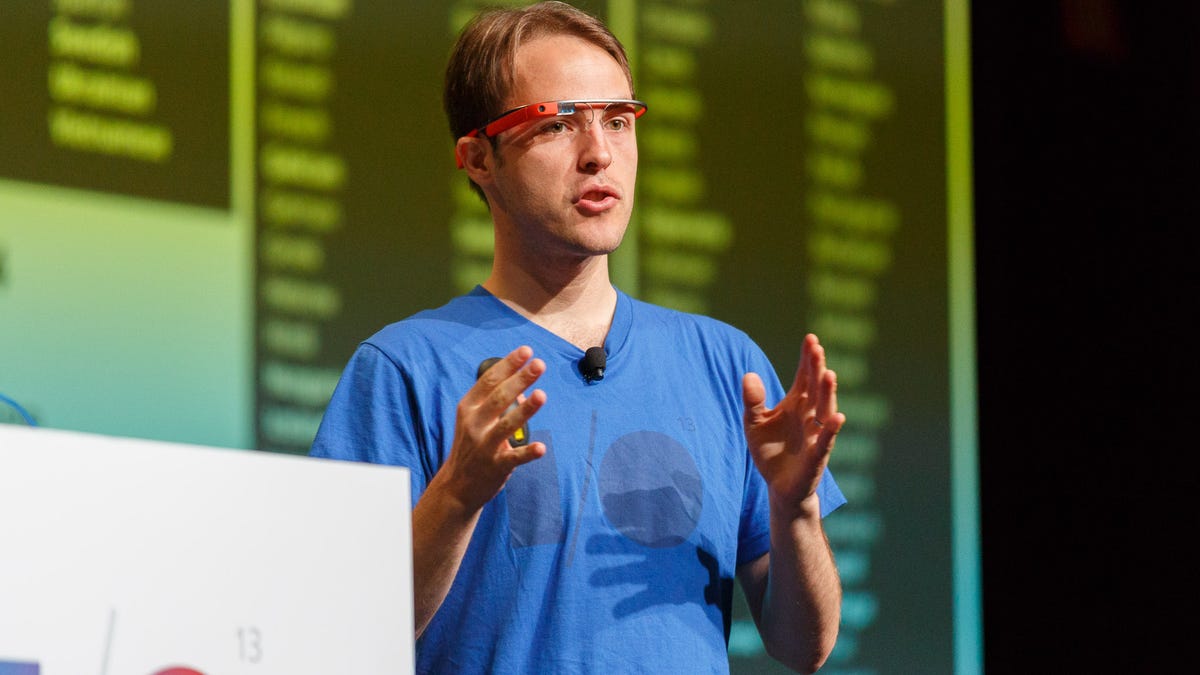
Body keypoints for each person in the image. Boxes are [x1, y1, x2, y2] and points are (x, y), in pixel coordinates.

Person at [310, 2, 847, 672]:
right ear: (478, 157)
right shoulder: (401, 370)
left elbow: (807, 646)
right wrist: (456, 493)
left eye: (619, 121)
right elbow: (340, 636)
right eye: (558, 124)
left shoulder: (725, 364)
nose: (599, 154)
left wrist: (794, 508)